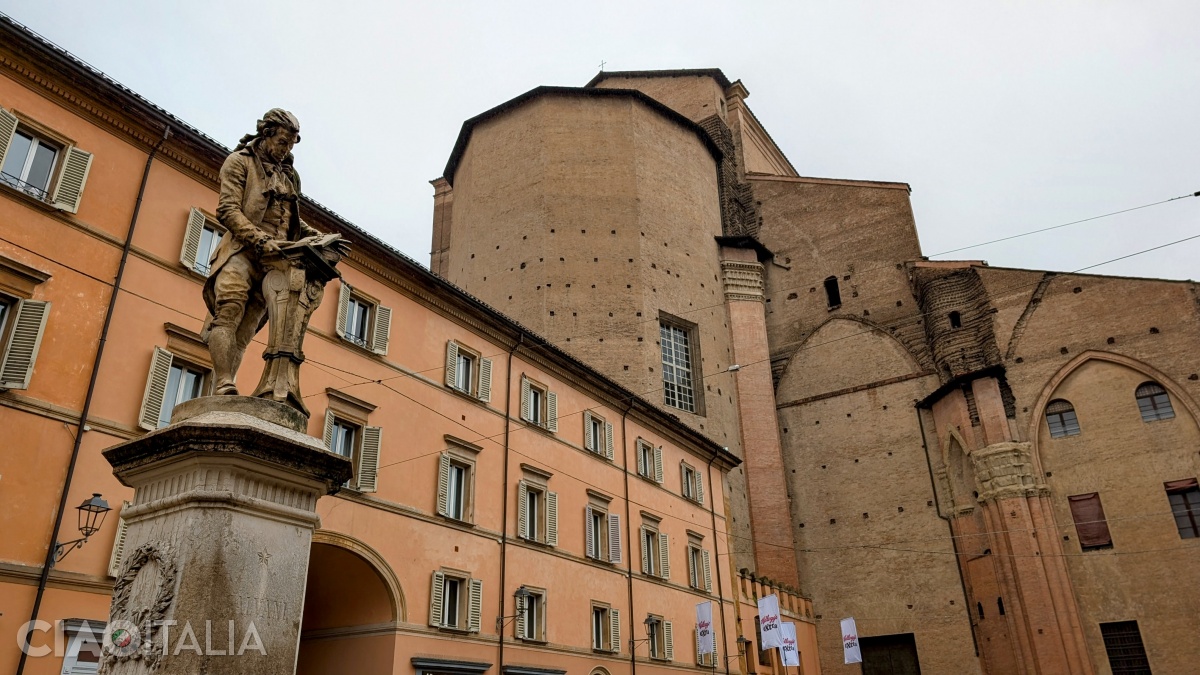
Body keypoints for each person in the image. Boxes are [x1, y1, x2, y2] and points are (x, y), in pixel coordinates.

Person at [202, 108, 322, 395]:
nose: (286, 149)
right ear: (267, 134)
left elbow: (290, 217)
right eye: (283, 142)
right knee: (228, 311)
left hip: (274, 262)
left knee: (245, 332)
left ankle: (226, 386)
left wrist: (317, 237)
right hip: (241, 252)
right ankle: (223, 382)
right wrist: (258, 239)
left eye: (291, 145)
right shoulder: (239, 162)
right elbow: (228, 210)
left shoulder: (289, 175)